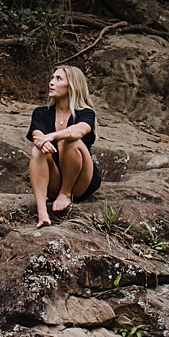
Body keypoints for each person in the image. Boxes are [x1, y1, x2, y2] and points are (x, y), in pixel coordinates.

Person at [26, 63, 102, 226]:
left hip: (81, 181)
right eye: (52, 78)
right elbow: (37, 135)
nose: (51, 82)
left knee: (68, 141)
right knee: (37, 150)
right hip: (54, 180)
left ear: (72, 86)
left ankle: (66, 193)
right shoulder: (41, 112)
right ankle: (42, 212)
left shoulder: (86, 113)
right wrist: (41, 141)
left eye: (58, 78)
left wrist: (51, 136)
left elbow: (79, 131)